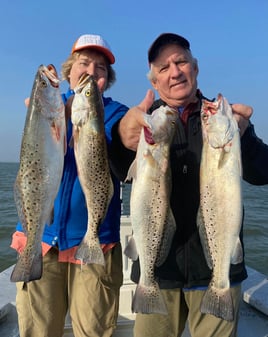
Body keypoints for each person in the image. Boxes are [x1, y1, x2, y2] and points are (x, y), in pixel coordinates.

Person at [109, 33, 268, 337]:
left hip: (217, 272)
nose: (175, 71)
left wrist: (243, 139)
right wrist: (120, 140)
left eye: (181, 61)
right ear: (154, 82)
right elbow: (119, 171)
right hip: (159, 270)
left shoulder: (222, 119)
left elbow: (262, 173)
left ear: (195, 68)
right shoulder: (145, 123)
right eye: (163, 68)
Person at [11, 34, 129, 337]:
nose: (91, 70)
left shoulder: (115, 114)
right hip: (42, 240)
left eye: (100, 67)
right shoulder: (47, 107)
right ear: (68, 71)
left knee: (93, 330)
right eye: (84, 63)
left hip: (94, 244)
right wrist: (46, 115)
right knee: (38, 330)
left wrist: (129, 130)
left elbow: (125, 136)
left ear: (107, 79)